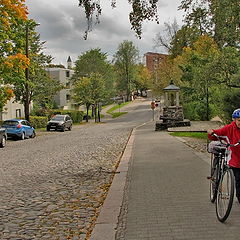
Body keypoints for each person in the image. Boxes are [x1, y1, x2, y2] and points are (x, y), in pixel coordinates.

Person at [207, 108, 240, 203]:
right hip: (235, 160)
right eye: (239, 120)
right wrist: (211, 132)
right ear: (234, 119)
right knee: (238, 179)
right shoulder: (230, 128)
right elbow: (217, 134)